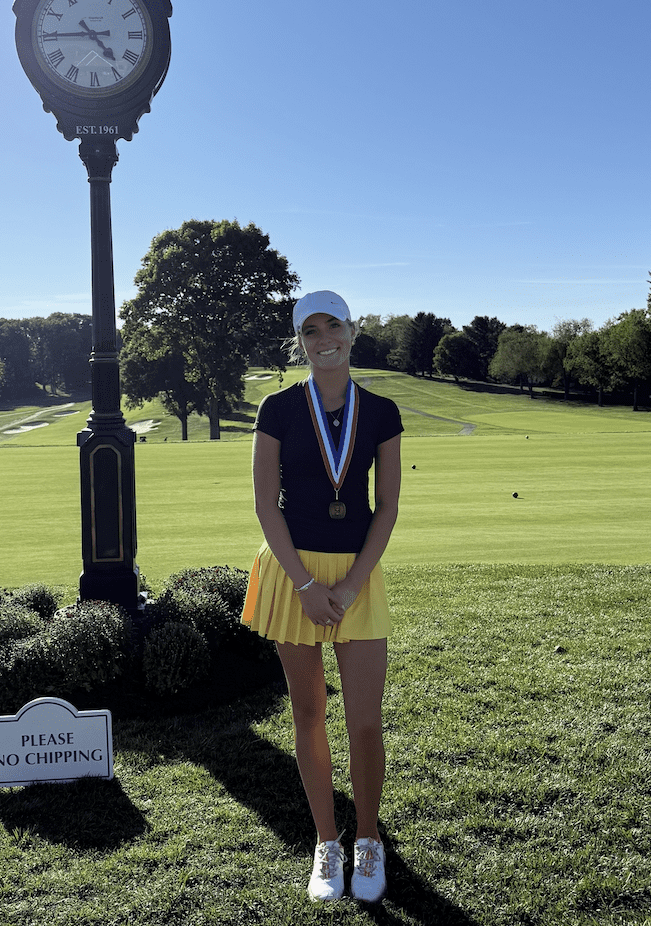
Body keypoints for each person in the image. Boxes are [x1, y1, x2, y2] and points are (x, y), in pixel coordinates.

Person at [241, 290, 403, 903]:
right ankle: (327, 844)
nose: (323, 337)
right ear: (300, 341)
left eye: (332, 325)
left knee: (365, 722)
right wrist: (308, 587)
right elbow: (264, 503)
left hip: (357, 574)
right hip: (293, 576)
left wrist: (353, 583)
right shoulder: (278, 408)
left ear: (352, 331)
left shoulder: (382, 411)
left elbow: (386, 504)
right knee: (308, 716)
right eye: (310, 329)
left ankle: (368, 841)